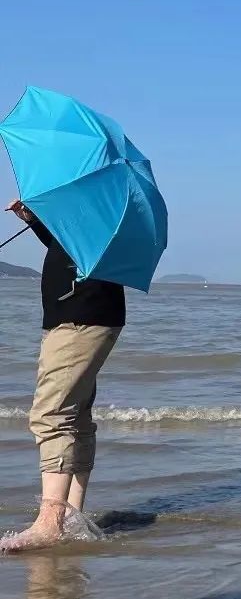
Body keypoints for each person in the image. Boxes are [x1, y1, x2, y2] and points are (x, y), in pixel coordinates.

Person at [1, 200, 125, 552]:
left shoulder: (99, 202)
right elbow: (68, 247)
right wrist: (36, 220)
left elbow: (84, 252)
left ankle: (50, 523)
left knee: (51, 415)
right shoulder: (90, 206)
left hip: (81, 318)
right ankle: (71, 516)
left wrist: (43, 214)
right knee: (75, 416)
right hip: (81, 316)